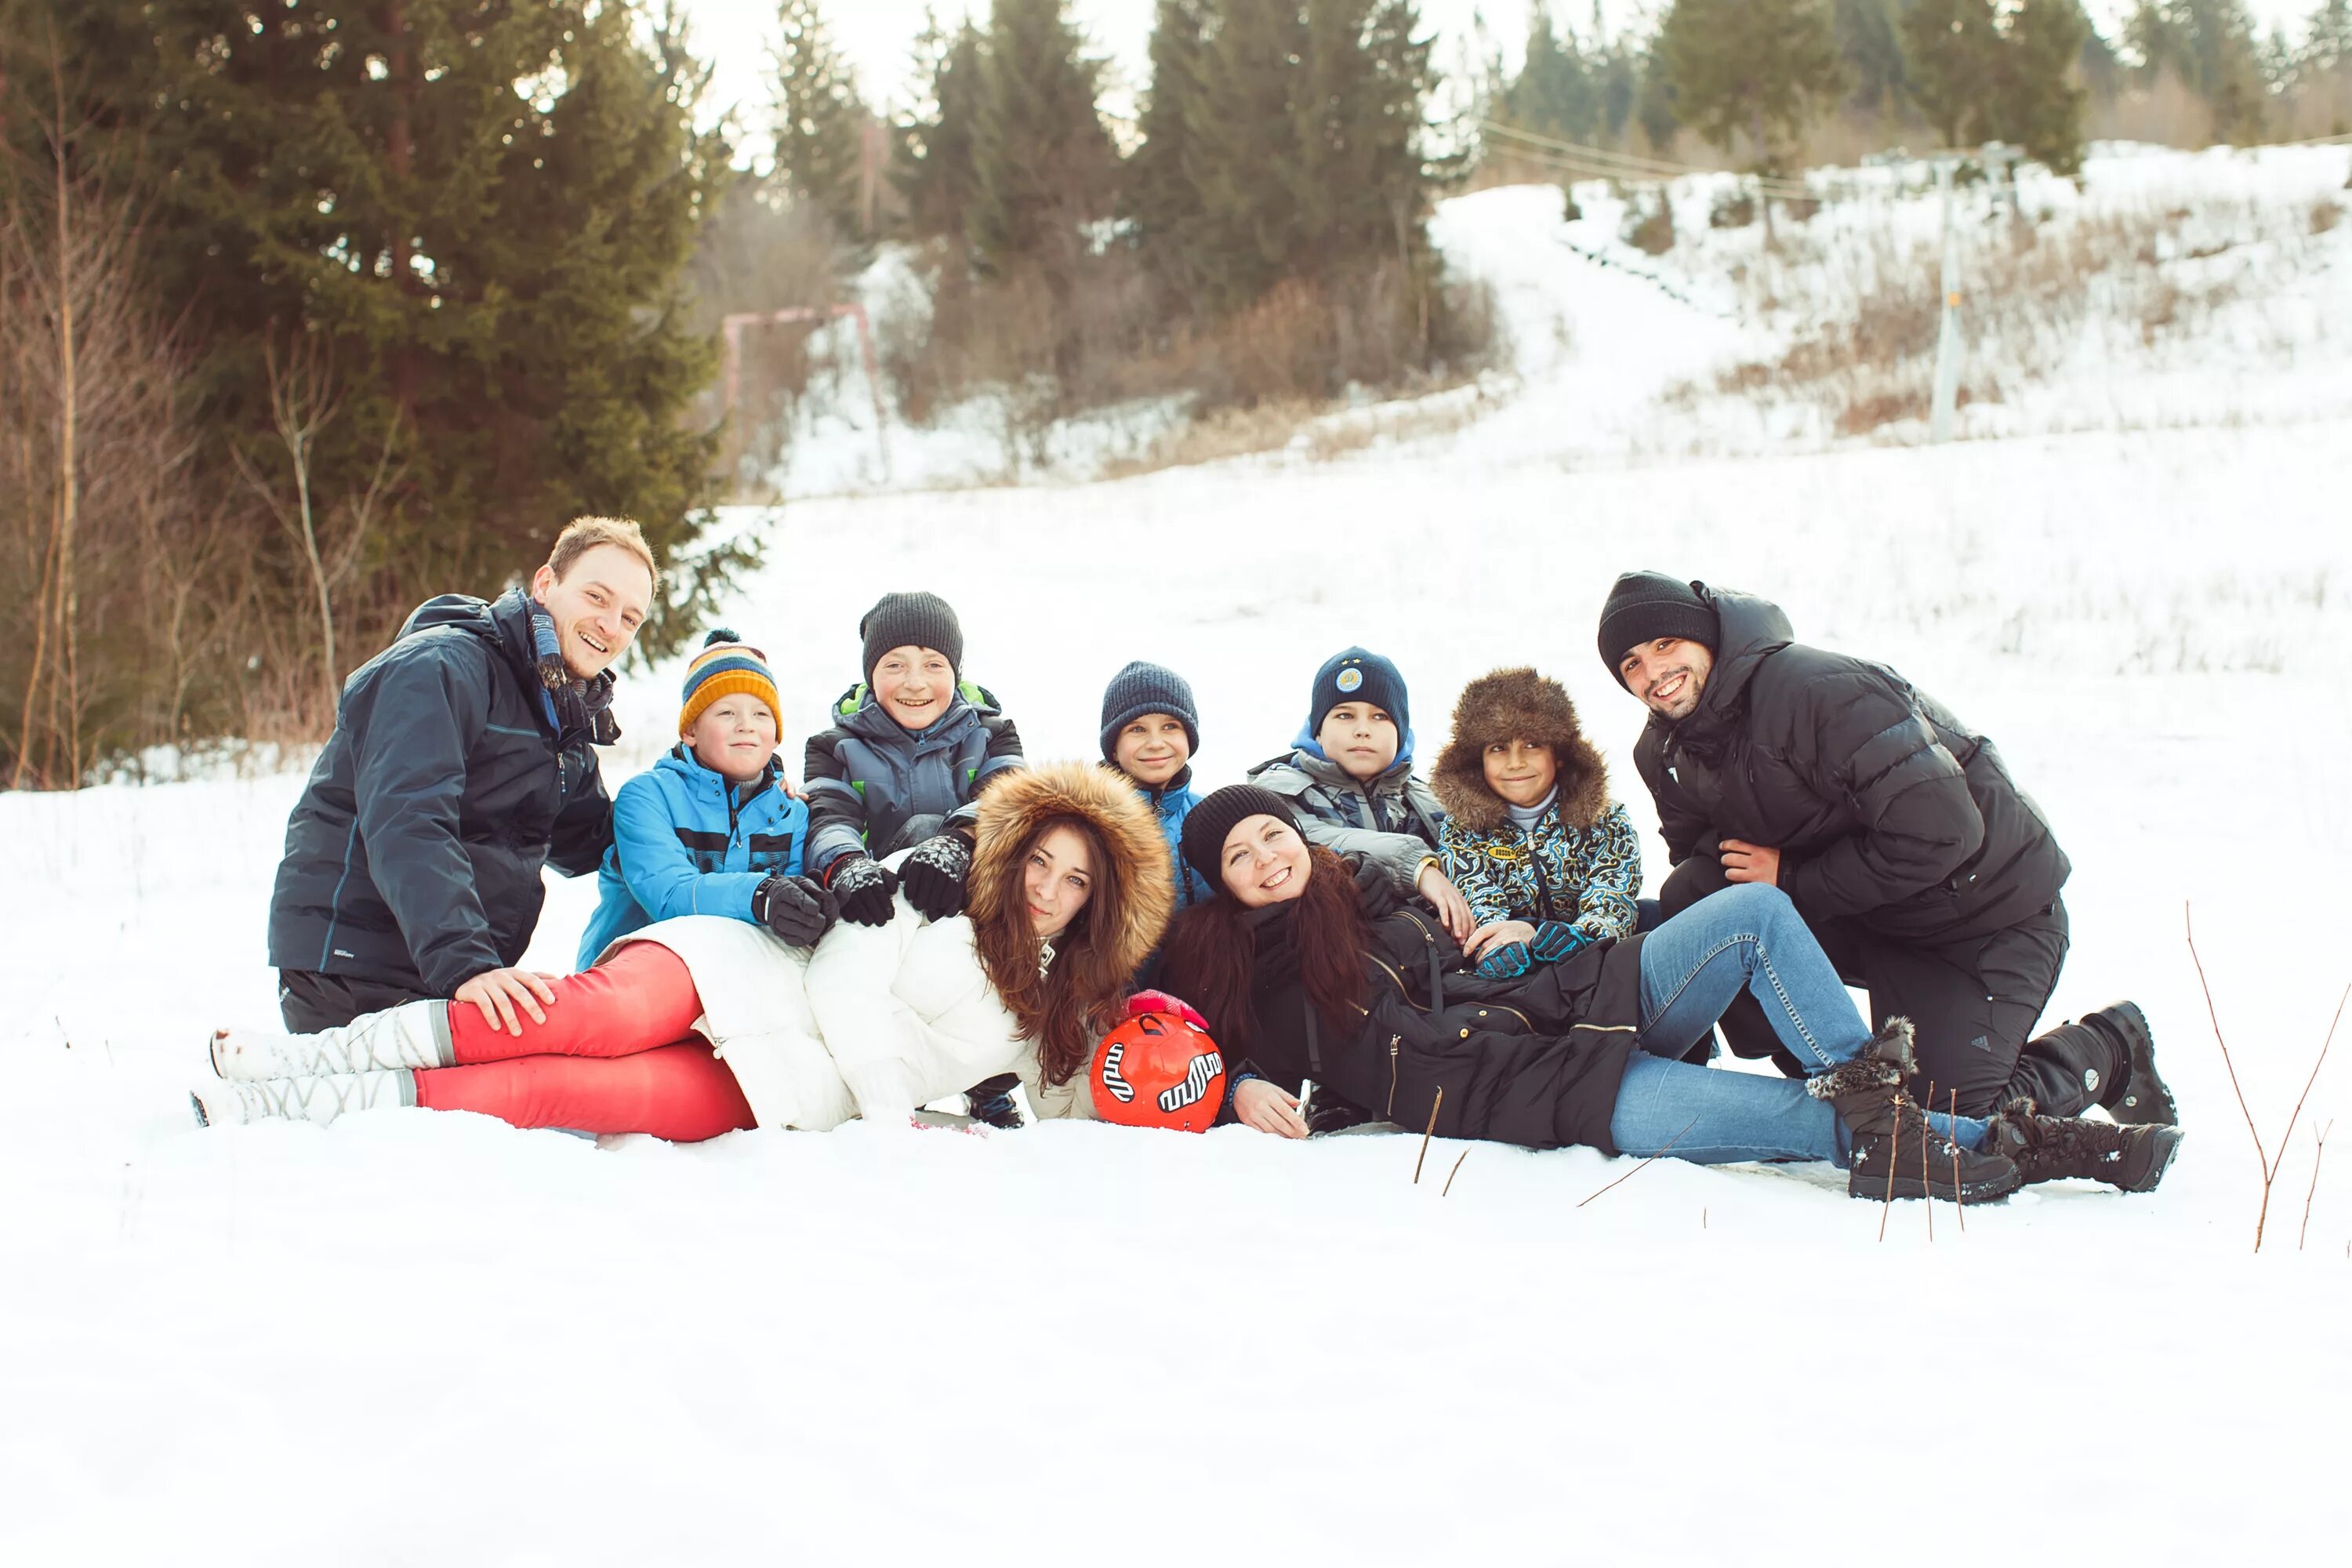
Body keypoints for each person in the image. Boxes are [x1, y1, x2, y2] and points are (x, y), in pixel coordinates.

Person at [1156, 787, 2182, 1197]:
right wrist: (1243, 1078)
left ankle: (1878, 1114)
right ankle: (2051, 1144)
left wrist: (1512, 935)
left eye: (1275, 836)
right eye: (1240, 853)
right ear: (1224, 879)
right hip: (1542, 1095)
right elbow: (1187, 1037)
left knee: (1755, 915)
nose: (1266, 858)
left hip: (1574, 997)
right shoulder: (1240, 970)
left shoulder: (1375, 898)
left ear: (1303, 840)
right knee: (1793, 1120)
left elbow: (1443, 919)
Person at [194, 763, 1171, 1140]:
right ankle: (296, 1063)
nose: (1047, 888)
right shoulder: (940, 877)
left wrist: (1180, 1057)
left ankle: (309, 1108)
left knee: (570, 1092)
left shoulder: (1051, 1006)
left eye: (1076, 881)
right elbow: (846, 967)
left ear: (1100, 905)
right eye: (1040, 860)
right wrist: (891, 1108)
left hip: (792, 1088)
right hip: (751, 969)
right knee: (587, 1018)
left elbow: (1084, 1097)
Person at [1596, 572, 2176, 1124]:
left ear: (1705, 635)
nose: (1654, 672)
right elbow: (1703, 874)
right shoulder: (1665, 753)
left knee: (1940, 1124)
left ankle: (2108, 1051)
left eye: (1665, 643)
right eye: (1633, 664)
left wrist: (1791, 879)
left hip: (1981, 916)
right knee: (1698, 894)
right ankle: (1825, 1077)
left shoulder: (1819, 691)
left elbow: (1943, 832)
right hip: (1870, 916)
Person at [265, 516, 656, 1036]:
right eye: (597, 597)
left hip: (440, 975)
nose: (611, 625)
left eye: (631, 617)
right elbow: (408, 818)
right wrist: (467, 963)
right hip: (355, 968)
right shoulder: (441, 668)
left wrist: (726, 795)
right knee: (492, 1104)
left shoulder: (559, 717)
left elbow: (597, 841)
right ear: (545, 583)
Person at [800, 590, 1028, 1124]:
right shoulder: (835, 746)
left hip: (974, 892)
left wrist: (958, 841)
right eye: (894, 665)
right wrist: (846, 866)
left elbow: (1011, 801)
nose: (915, 682)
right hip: (886, 903)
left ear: (956, 669)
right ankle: (894, 1065)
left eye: (933, 664)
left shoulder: (991, 732)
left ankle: (991, 1078)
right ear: (870, 673)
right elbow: (829, 818)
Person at [573, 630, 832, 970]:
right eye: (726, 713)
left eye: (761, 714)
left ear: (776, 734)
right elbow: (668, 894)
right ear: (690, 731)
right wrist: (763, 896)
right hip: (633, 983)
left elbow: (788, 912)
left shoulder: (791, 814)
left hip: (731, 989)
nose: (746, 726)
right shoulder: (647, 798)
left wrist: (805, 915)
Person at [1245, 646, 1475, 942]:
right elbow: (1312, 839)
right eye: (1344, 715)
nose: (1363, 730)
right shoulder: (1274, 793)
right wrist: (1417, 867)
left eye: (1380, 717)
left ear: (1401, 732)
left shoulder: (1433, 801)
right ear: (1317, 731)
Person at [1430, 666, 1642, 980]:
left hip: (1594, 960)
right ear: (1479, 761)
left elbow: (1612, 888)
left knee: (1654, 913)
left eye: (1532, 745)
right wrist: (1496, 942)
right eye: (1498, 748)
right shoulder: (1463, 829)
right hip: (1516, 972)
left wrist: (1584, 933)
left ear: (1558, 754)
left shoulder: (1604, 817)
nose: (1516, 762)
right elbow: (1476, 893)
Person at [1099, 660, 1214, 909]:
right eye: (1137, 729)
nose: (1156, 742)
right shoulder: (1087, 817)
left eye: (1170, 726)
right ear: (1114, 749)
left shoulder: (1210, 814)